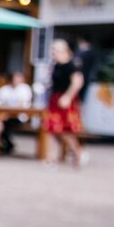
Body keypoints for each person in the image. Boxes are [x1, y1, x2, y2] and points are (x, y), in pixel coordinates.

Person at [42, 38, 85, 168]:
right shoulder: (55, 65)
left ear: (64, 51)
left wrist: (67, 97)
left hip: (66, 100)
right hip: (54, 99)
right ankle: (52, 158)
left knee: (65, 131)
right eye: (52, 50)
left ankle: (77, 153)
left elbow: (77, 82)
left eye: (55, 50)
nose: (53, 52)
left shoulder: (71, 65)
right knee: (52, 129)